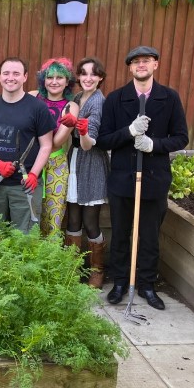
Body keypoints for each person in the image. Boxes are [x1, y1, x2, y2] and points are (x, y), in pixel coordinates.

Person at [97, 46, 188, 309]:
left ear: (155, 65)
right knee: (121, 233)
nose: (141, 65)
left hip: (154, 179)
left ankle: (147, 285)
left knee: (149, 235)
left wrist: (153, 144)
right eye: (136, 62)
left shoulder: (169, 98)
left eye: (146, 61)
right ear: (130, 68)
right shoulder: (116, 99)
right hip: (123, 179)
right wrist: (128, 131)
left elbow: (181, 137)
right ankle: (121, 283)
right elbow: (103, 140)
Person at [0, 57, 55, 233]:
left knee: (25, 238)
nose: (10, 78)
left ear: (25, 77)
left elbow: (46, 145)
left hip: (25, 185)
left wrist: (34, 174)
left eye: (16, 73)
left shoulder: (38, 108)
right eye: (6, 73)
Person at [64, 57, 111, 289]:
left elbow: (88, 144)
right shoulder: (76, 98)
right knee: (72, 217)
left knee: (90, 220)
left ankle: (97, 270)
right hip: (74, 160)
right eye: (83, 74)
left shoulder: (99, 103)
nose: (88, 78)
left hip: (91, 161)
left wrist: (81, 130)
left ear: (100, 78)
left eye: (93, 74)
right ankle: (72, 269)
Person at [29, 58, 79, 236]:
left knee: (53, 215)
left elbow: (56, 142)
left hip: (55, 165)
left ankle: (50, 259)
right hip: (30, 161)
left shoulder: (70, 107)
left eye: (60, 77)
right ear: (43, 80)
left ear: (67, 82)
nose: (54, 81)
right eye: (50, 77)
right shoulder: (32, 96)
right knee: (29, 213)